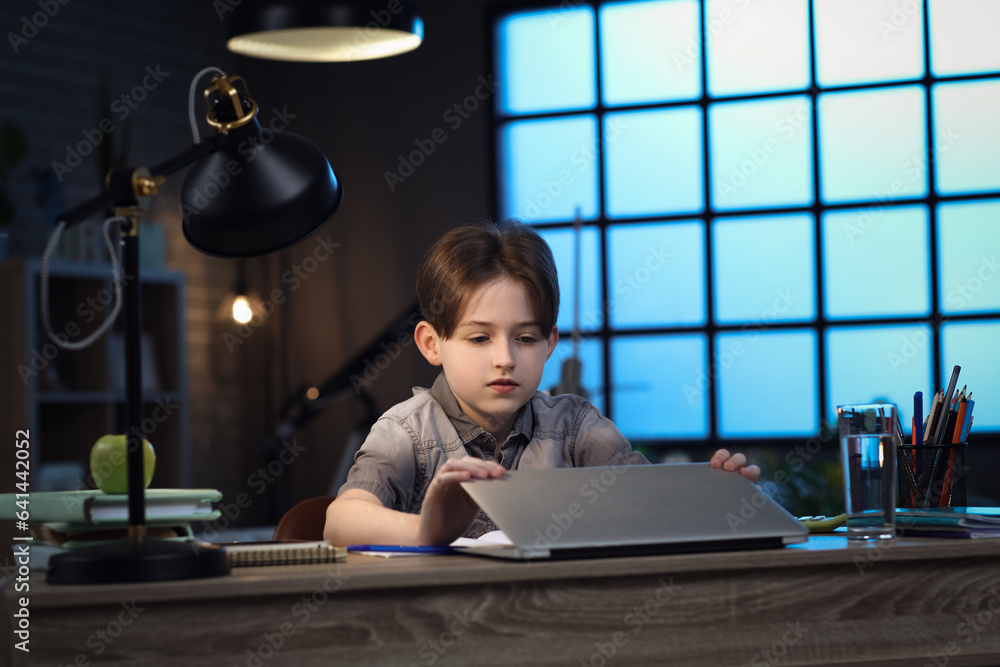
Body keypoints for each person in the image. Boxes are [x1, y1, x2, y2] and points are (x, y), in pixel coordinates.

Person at [324, 220, 759, 546]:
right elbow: (340, 521)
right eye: (479, 338)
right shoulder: (405, 431)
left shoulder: (574, 426)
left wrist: (714, 497)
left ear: (550, 343)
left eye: (526, 338)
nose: (505, 359)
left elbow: (647, 503)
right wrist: (425, 529)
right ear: (431, 343)